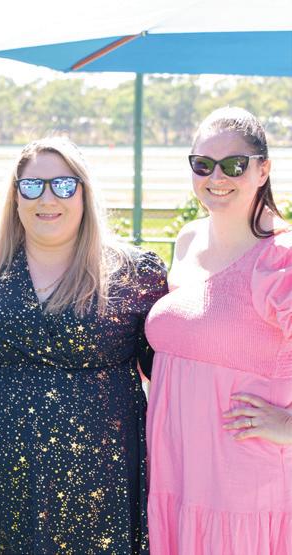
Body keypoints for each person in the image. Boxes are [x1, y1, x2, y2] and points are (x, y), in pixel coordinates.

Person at [0, 137, 167, 554]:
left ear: (84, 192)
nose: (47, 199)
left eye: (64, 185)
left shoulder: (134, 274)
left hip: (101, 487)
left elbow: (169, 376)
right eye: (32, 186)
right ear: (15, 195)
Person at [145, 107, 292, 554]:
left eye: (234, 165)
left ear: (263, 170)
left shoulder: (281, 258)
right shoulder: (187, 240)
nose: (217, 177)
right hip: (177, 475)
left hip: (242, 486)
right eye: (203, 164)